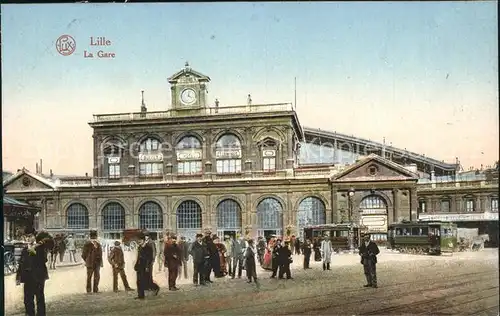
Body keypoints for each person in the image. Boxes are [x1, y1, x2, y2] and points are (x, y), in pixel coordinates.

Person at [16, 230, 51, 316]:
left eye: (31, 236)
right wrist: (18, 277)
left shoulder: (40, 247)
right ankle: (29, 314)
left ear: (34, 237)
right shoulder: (24, 250)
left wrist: (35, 249)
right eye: (27, 236)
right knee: (27, 299)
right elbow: (21, 263)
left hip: (39, 277)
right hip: (28, 277)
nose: (29, 238)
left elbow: (44, 259)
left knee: (39, 298)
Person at [134, 232, 160, 299]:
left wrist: (147, 267)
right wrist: (136, 265)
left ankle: (156, 288)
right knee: (139, 281)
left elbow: (150, 259)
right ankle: (141, 296)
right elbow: (138, 257)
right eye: (138, 240)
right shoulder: (139, 247)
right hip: (140, 267)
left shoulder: (148, 248)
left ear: (143, 240)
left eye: (140, 240)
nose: (138, 241)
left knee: (147, 282)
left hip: (146, 267)